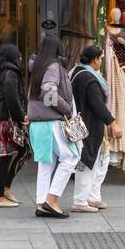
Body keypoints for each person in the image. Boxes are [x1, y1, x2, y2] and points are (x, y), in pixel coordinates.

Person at [26, 35, 80, 218]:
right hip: (50, 121)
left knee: (45, 163)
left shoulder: (37, 67)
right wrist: (66, 108)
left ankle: (41, 203)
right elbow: (48, 91)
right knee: (71, 157)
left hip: (37, 123)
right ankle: (52, 199)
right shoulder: (53, 66)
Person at [69, 45, 122, 214]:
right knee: (88, 162)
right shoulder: (89, 79)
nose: (101, 61)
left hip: (82, 125)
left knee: (97, 161)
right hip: (89, 126)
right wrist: (113, 124)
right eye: (100, 58)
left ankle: (91, 197)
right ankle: (80, 200)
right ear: (94, 60)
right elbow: (97, 105)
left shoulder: (76, 72)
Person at [0, 40, 27, 208]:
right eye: (18, 54)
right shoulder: (10, 73)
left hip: (1, 122)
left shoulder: (0, 72)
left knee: (20, 152)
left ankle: (5, 188)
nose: (21, 57)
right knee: (8, 157)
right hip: (7, 122)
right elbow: (12, 99)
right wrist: (22, 115)